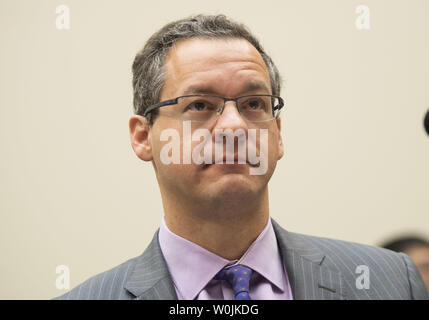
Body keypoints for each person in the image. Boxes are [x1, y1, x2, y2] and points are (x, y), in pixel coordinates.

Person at [55, 14, 428, 300]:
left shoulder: (390, 280)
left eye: (253, 104)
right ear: (142, 137)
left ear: (277, 135)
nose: (234, 127)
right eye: (200, 104)